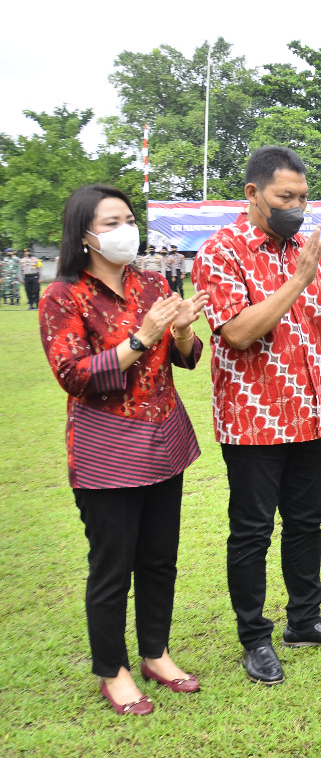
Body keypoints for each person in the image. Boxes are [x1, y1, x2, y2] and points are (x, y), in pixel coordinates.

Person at [193, 145, 321, 685]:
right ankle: (254, 638)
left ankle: (305, 620)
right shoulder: (220, 252)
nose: (296, 205)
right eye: (284, 196)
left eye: (302, 196)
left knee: (305, 522)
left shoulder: (303, 247)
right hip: (254, 417)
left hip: (309, 411)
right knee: (251, 532)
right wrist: (298, 279)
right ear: (253, 193)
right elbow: (240, 332)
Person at [39, 184, 209, 715]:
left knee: (159, 559)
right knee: (112, 566)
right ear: (85, 234)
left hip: (164, 439)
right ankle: (112, 670)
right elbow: (74, 375)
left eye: (128, 219)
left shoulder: (153, 281)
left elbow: (185, 359)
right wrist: (140, 337)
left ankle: (156, 653)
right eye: (111, 222)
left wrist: (179, 333)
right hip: (105, 450)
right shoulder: (63, 296)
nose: (124, 230)